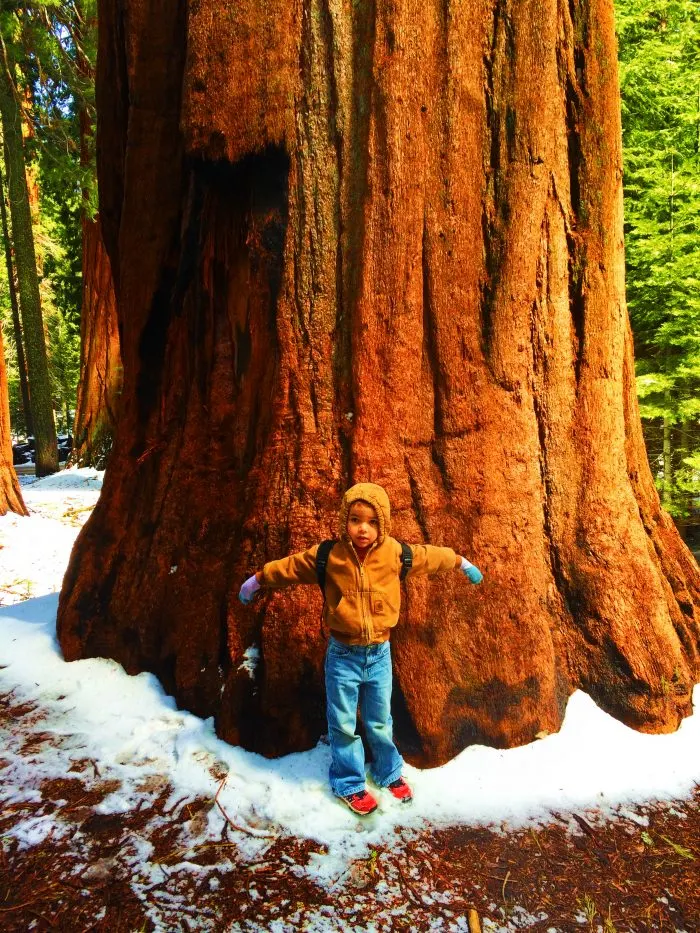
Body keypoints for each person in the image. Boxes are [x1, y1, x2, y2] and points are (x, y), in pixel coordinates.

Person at [238, 482, 483, 816]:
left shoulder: (395, 553)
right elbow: (291, 567)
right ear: (345, 521)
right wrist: (258, 579)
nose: (363, 528)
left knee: (380, 719)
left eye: (371, 521)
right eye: (355, 519)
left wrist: (459, 561)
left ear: (382, 525)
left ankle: (388, 771)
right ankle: (349, 781)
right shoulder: (329, 556)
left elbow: (428, 556)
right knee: (342, 722)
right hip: (343, 655)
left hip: (379, 654)